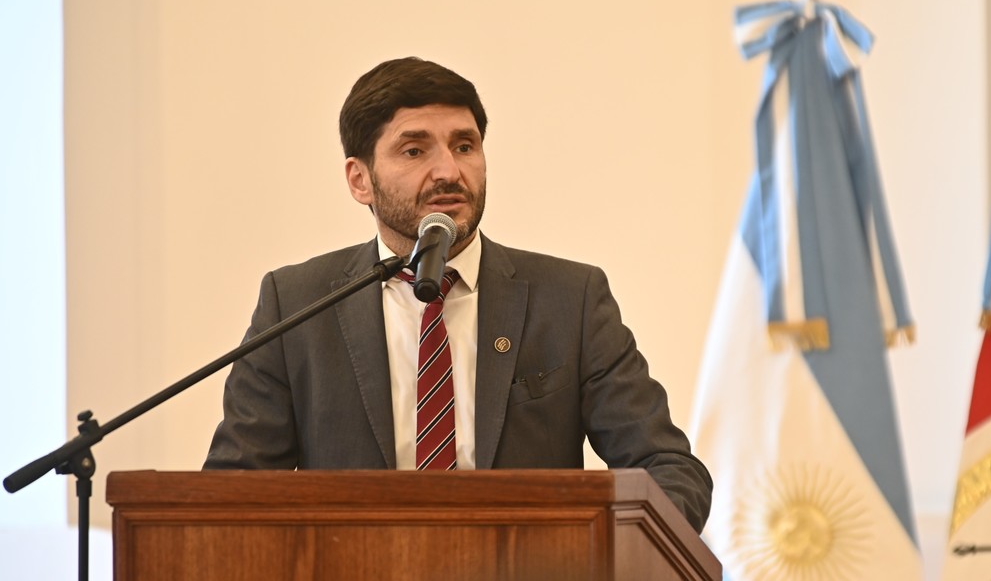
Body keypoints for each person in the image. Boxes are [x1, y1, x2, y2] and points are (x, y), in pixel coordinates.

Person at [204, 56, 712, 532]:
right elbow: (231, 495)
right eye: (414, 150)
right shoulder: (296, 305)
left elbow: (669, 469)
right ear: (360, 180)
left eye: (464, 146)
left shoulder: (570, 300)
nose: (449, 171)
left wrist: (596, 557)